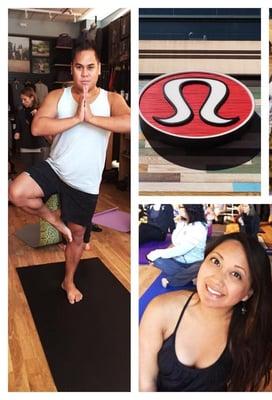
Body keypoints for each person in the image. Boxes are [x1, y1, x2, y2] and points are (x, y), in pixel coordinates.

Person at [8, 39, 131, 304]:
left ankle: (69, 281)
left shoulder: (112, 99)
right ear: (72, 69)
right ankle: (55, 221)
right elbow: (38, 128)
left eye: (90, 67)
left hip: (85, 183)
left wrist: (92, 118)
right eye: (78, 67)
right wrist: (76, 118)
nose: (84, 73)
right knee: (16, 192)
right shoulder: (57, 96)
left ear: (99, 69)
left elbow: (131, 122)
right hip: (56, 168)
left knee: (77, 237)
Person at [140, 232, 272, 391]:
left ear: (248, 293)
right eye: (215, 261)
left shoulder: (251, 334)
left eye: (236, 274)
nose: (217, 279)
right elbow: (144, 382)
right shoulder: (161, 310)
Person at [146, 205, 208, 288]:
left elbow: (182, 249)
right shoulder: (183, 222)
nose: (179, 210)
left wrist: (158, 252)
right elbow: (175, 241)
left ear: (190, 210)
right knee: (157, 260)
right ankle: (190, 277)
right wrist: (179, 224)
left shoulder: (199, 227)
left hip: (194, 262)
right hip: (177, 261)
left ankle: (173, 280)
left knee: (201, 266)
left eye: (181, 208)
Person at [14, 87, 49, 170]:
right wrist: (17, 132)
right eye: (21, 100)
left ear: (32, 98)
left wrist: (37, 116)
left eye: (25, 99)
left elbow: (45, 127)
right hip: (25, 146)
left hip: (39, 146)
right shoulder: (20, 111)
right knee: (28, 171)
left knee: (39, 171)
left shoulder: (41, 110)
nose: (23, 102)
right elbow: (18, 125)